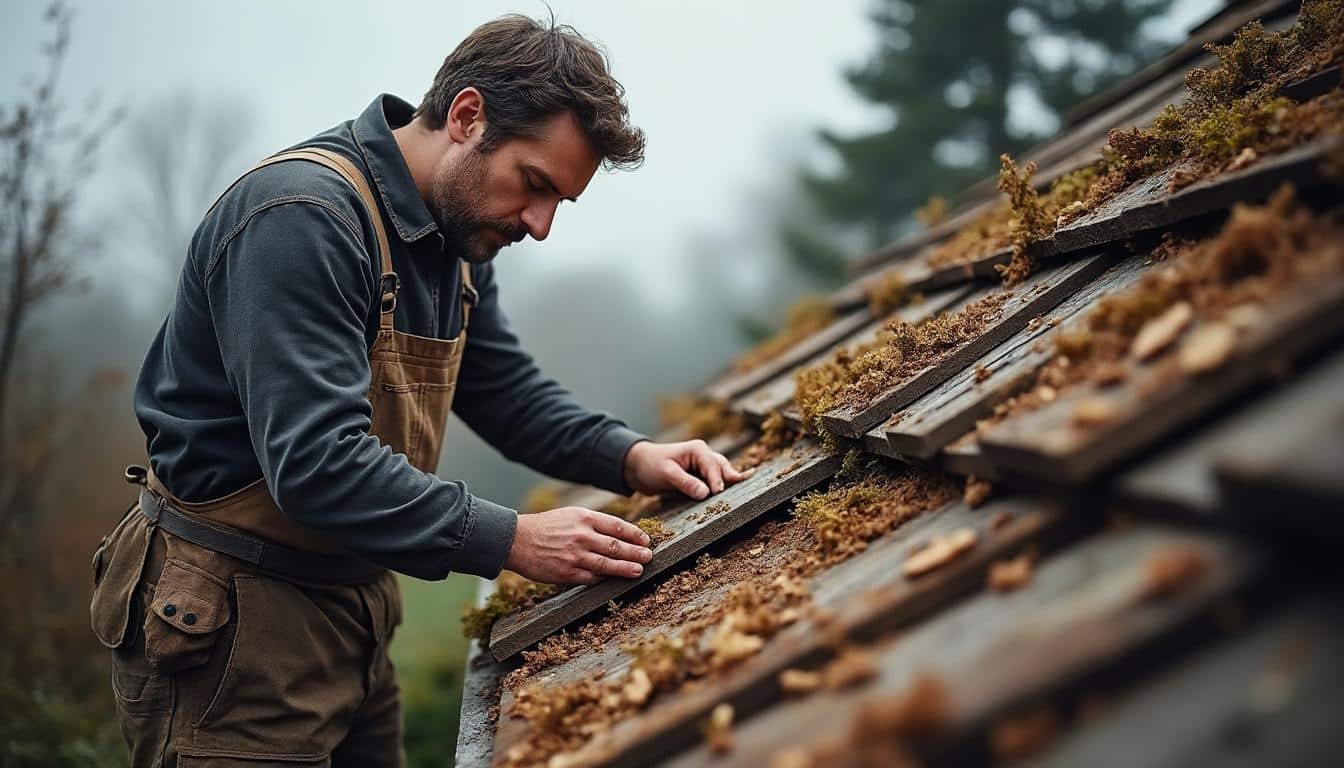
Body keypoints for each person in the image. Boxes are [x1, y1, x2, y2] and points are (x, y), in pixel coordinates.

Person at [90, 14, 743, 766]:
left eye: (559, 202)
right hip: (234, 633)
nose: (540, 226)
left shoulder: (456, 235)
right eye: (535, 185)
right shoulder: (303, 219)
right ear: (467, 117)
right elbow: (318, 465)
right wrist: (515, 541)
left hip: (352, 617)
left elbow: (503, 389)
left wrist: (627, 456)